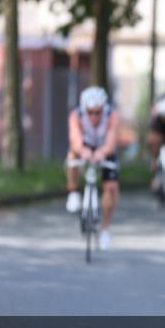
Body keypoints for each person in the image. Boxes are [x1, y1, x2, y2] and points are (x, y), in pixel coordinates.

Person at [65, 86, 122, 251]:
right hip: (84, 146)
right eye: (90, 112)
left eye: (98, 112)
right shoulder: (76, 115)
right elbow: (75, 137)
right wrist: (83, 150)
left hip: (105, 149)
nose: (94, 117)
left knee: (111, 188)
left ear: (104, 108)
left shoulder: (112, 115)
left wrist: (102, 152)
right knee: (71, 158)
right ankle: (73, 192)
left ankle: (105, 230)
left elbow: (112, 139)